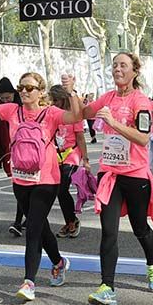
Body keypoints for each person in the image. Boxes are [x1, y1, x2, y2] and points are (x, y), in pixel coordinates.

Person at [0, 67, 83, 301]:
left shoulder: (51, 113)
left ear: (41, 92)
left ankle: (29, 282)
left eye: (30, 88)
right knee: (41, 227)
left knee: (33, 229)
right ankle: (59, 262)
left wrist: (71, 93)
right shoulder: (12, 111)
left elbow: (77, 117)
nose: (25, 91)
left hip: (47, 179)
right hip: (20, 178)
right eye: (22, 88)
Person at [82, 52, 153, 305]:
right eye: (115, 65)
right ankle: (107, 287)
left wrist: (113, 122)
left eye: (123, 65)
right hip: (110, 173)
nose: (118, 69)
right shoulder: (107, 97)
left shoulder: (141, 101)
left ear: (134, 72)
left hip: (135, 173)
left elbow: (142, 138)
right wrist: (71, 92)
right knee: (108, 231)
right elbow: (83, 113)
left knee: (140, 227)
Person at [48, 85, 90, 238]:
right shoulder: (52, 113)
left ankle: (71, 221)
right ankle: (70, 220)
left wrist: (85, 159)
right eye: (52, 100)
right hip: (55, 153)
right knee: (58, 190)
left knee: (62, 188)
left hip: (71, 154)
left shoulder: (73, 115)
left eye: (57, 100)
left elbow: (80, 137)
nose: (55, 103)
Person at [0, 77, 27, 237]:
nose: (5, 100)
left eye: (8, 97)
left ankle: (18, 221)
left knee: (22, 187)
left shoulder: (21, 106)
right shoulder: (1, 107)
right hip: (9, 151)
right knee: (20, 187)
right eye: (2, 98)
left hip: (25, 151)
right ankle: (27, 218)